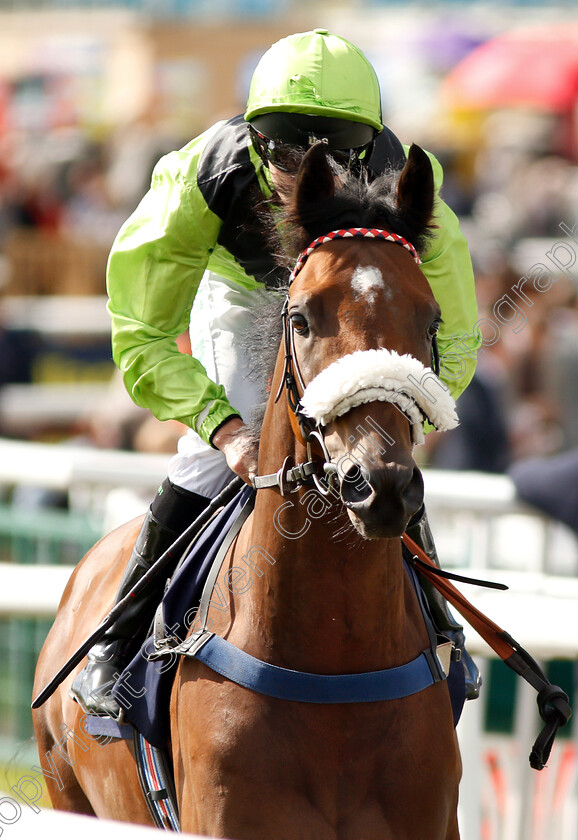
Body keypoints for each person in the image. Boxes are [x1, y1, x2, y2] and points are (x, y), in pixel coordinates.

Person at [71, 29, 482, 718]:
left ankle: (441, 628)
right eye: (283, 150)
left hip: (353, 289)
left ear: (364, 151)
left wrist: (399, 411)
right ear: (254, 138)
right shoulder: (202, 175)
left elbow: (458, 335)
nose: (299, 172)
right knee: (215, 456)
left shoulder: (416, 188)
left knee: (379, 450)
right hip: (242, 293)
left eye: (326, 156)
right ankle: (118, 642)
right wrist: (223, 429)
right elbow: (141, 332)